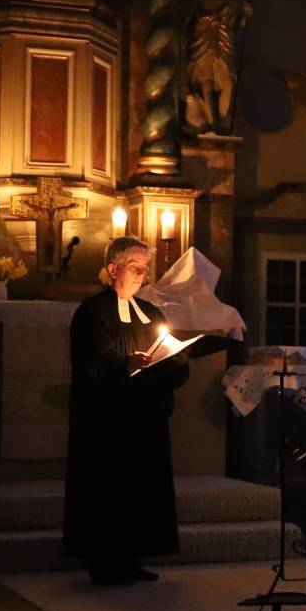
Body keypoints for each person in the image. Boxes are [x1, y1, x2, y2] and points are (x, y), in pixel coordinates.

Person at [62, 237, 190, 584]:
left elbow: (173, 356)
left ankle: (133, 557)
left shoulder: (150, 313)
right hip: (107, 420)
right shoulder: (92, 312)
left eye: (145, 269)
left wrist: (175, 361)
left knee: (140, 489)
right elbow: (90, 361)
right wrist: (125, 363)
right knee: (108, 490)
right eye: (135, 267)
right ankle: (104, 562)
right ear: (113, 268)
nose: (141, 275)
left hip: (144, 418)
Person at [183, 0, 252, 131]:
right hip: (202, 39)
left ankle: (222, 121)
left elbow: (236, 25)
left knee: (227, 82)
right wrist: (182, 36)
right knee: (205, 84)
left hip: (223, 41)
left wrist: (245, 15)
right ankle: (211, 125)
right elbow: (188, 18)